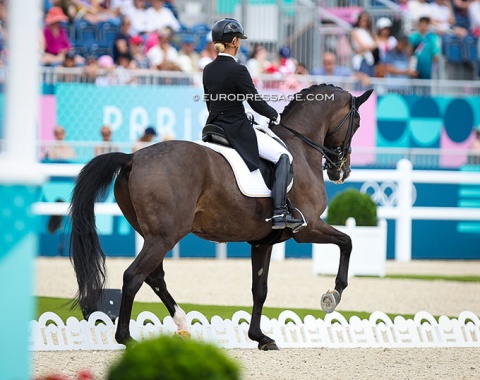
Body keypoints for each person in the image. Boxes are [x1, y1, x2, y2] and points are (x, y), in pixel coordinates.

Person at [203, 18, 303, 231]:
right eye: (238, 40)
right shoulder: (238, 70)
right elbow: (255, 101)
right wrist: (274, 116)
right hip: (236, 129)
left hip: (214, 126)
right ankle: (279, 213)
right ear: (235, 42)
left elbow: (210, 102)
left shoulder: (208, 69)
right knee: (283, 156)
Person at [350, 11, 378, 77]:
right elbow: (362, 46)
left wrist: (368, 47)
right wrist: (372, 46)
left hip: (369, 59)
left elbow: (377, 43)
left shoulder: (369, 32)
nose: (365, 22)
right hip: (362, 59)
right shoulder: (355, 31)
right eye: (363, 20)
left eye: (366, 20)